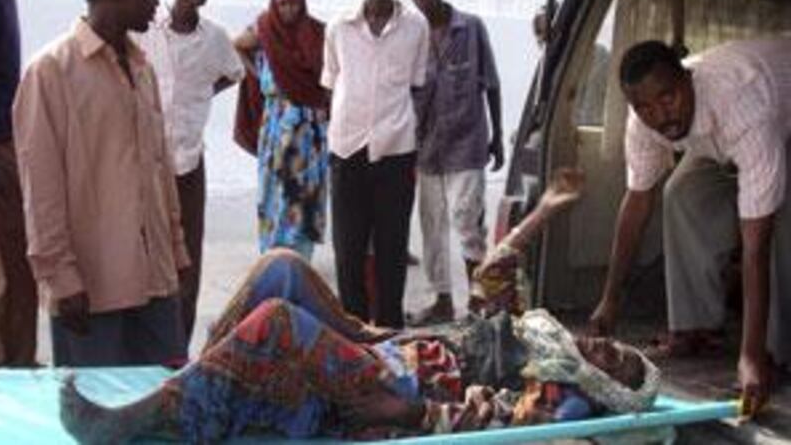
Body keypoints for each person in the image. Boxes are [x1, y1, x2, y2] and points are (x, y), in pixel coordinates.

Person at [58, 169, 660, 444]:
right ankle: (198, 380)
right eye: (622, 348)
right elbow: (495, 273)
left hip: (393, 383)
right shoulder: (539, 333)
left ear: (611, 392)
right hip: (384, 345)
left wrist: (413, 415)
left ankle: (145, 424)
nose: (610, 348)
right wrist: (548, 208)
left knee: (281, 324)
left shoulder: (562, 395)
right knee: (282, 268)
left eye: (620, 365)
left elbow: (504, 424)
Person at [588, 39, 791, 416]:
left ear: (688, 79)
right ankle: (697, 328)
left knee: (779, 222)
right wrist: (610, 298)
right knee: (680, 193)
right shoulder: (646, 120)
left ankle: (773, 353)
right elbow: (637, 202)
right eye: (644, 107)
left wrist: (747, 358)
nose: (661, 116)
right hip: (723, 141)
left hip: (780, 119)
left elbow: (755, 248)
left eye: (668, 98)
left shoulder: (743, 103)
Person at [13, 0, 189, 366]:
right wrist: (59, 277)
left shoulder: (143, 68)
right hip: (90, 288)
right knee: (98, 417)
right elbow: (42, 187)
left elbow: (159, 168)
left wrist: (178, 252)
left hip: (156, 280)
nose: (156, 3)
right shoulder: (51, 72)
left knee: (166, 409)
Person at [134, 0, 245, 348]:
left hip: (188, 165)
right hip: (144, 165)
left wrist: (199, 95)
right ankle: (145, 345)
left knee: (188, 263)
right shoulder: (143, 29)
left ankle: (177, 349)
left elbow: (234, 72)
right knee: (143, 256)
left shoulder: (214, 37)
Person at [321, 0, 429, 328]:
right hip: (347, 150)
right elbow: (331, 83)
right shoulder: (338, 27)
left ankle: (389, 331)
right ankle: (352, 330)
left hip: (396, 152)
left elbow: (416, 84)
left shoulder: (416, 27)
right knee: (348, 251)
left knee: (391, 251)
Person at [405, 0, 504, 326]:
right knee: (432, 227)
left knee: (467, 223)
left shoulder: (471, 28)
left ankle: (478, 303)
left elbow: (491, 84)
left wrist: (498, 137)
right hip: (425, 148)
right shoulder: (411, 33)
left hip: (467, 145)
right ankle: (442, 300)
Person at [233, 0, 329, 261]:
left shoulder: (315, 32)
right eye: (283, 4)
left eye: (294, 3)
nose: (288, 9)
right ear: (275, 6)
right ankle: (274, 252)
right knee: (275, 189)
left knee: (303, 190)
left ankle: (300, 254)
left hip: (308, 128)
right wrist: (256, 71)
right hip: (277, 124)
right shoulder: (264, 29)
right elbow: (237, 45)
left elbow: (328, 75)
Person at [0, 0, 42, 367]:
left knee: (16, 266)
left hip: (6, 145)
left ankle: (17, 359)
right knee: (9, 269)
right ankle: (9, 366)